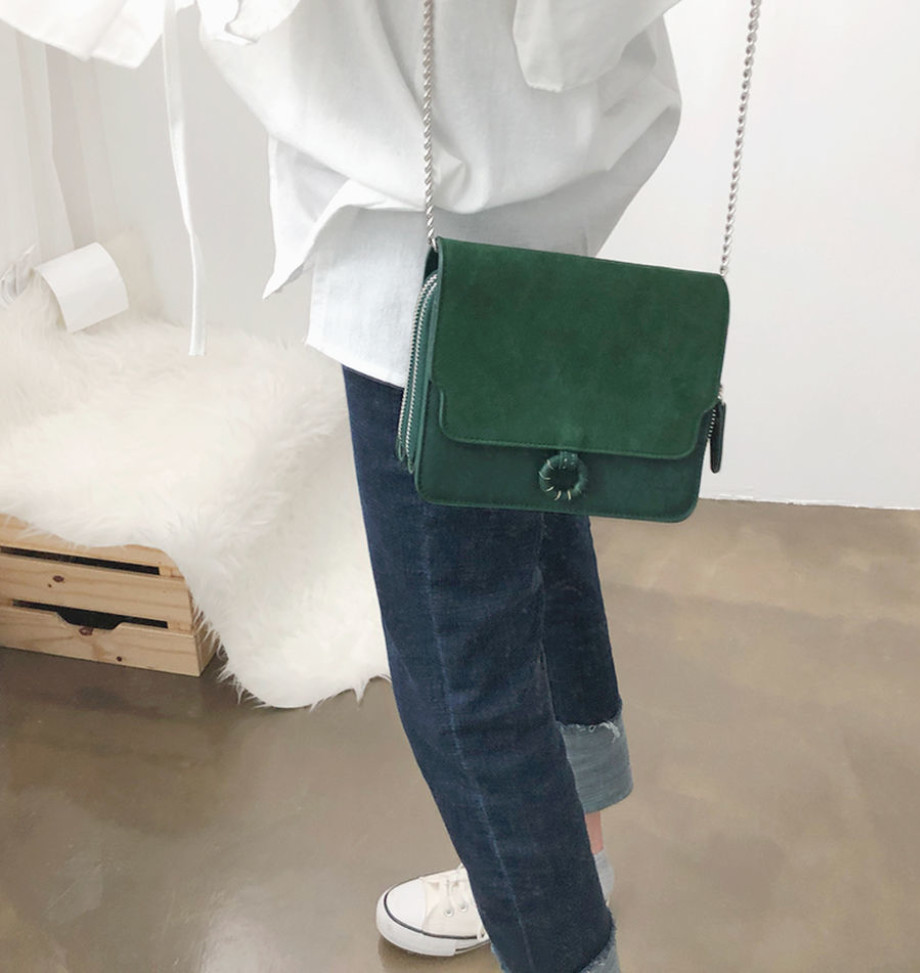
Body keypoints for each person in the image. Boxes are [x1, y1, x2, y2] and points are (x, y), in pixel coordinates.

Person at [1, 1, 686, 969]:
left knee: (459, 664)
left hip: (417, 210)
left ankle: (557, 923)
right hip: (542, 163)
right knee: (535, 529)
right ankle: (566, 863)